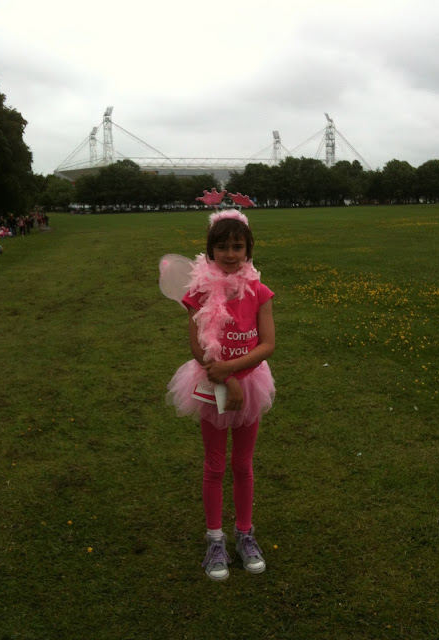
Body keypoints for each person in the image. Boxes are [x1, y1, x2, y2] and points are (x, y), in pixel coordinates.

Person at [166, 207, 276, 581]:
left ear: (248, 251)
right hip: (212, 383)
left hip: (250, 383)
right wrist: (223, 376)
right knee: (214, 465)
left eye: (238, 247)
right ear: (210, 251)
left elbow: (268, 343)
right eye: (223, 247)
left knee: (243, 464)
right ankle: (215, 538)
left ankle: (245, 533)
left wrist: (234, 371)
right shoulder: (198, 292)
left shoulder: (259, 291)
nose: (230, 254)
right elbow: (198, 346)